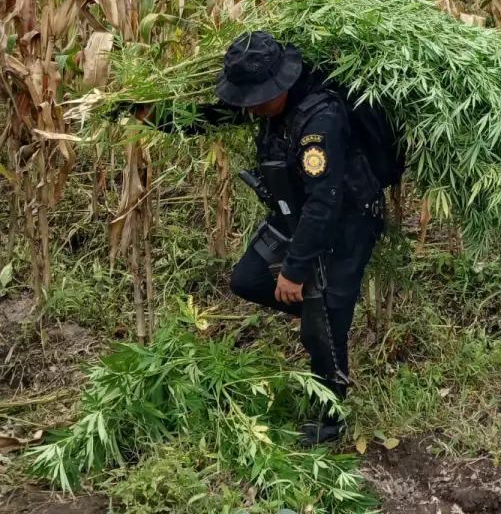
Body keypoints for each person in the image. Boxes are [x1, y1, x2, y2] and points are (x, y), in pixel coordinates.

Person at [138, 31, 387, 446]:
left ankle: (329, 419)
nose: (247, 106)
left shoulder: (319, 122)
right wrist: (152, 115)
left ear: (281, 84)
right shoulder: (266, 105)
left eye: (254, 97)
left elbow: (324, 203)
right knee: (249, 279)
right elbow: (213, 117)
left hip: (344, 222)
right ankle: (320, 317)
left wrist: (295, 270)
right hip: (295, 215)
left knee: (324, 317)